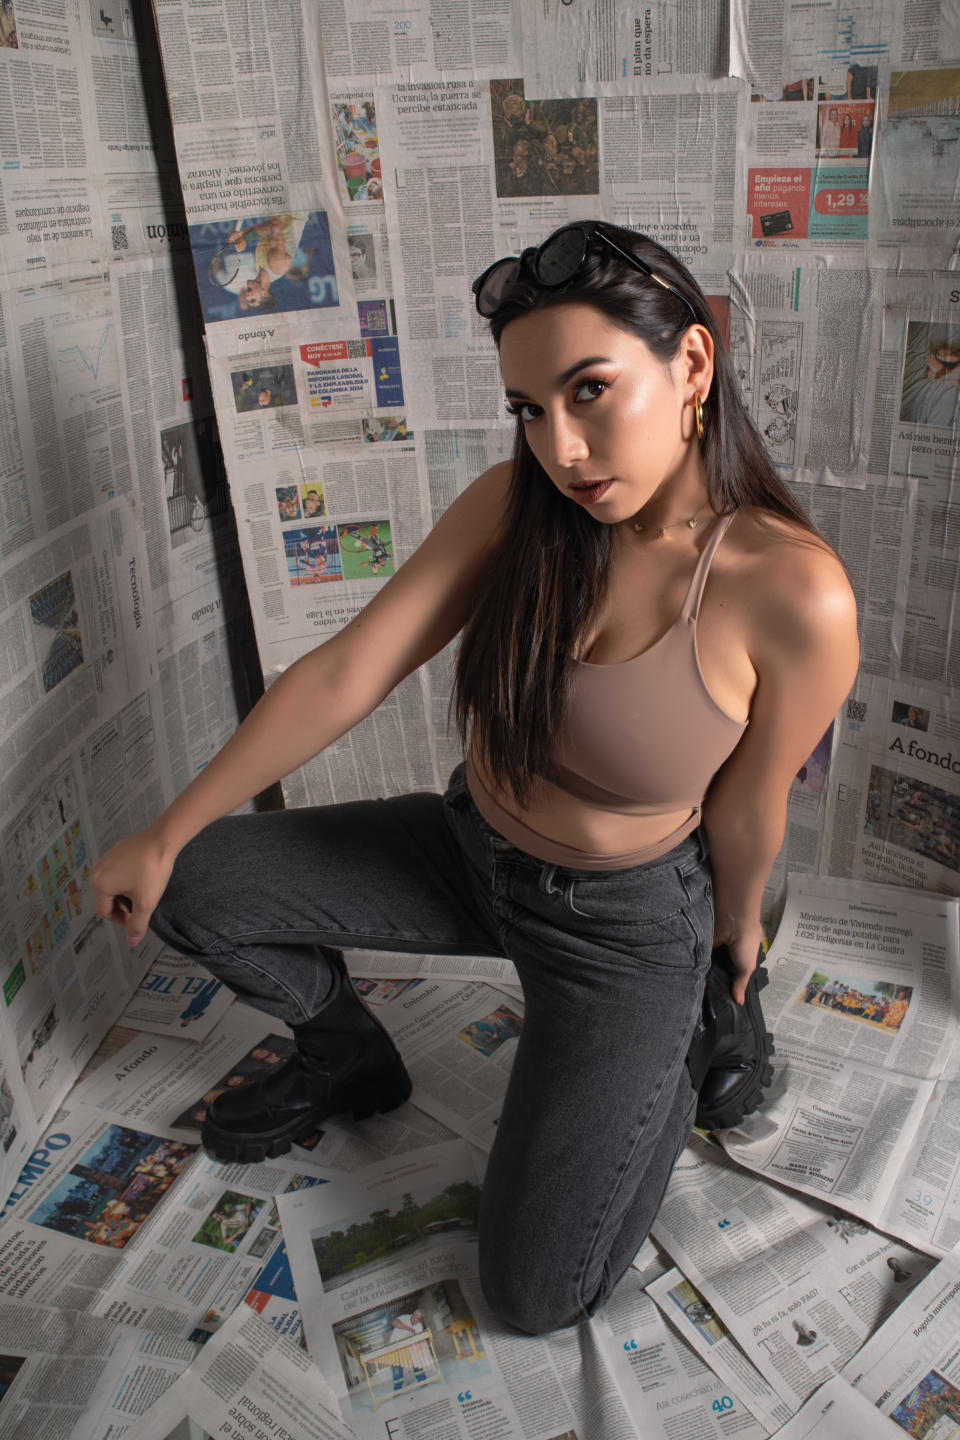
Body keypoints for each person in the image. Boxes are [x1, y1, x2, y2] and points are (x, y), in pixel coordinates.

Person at [92, 221, 859, 1335]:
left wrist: (736, 938)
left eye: (590, 391)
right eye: (530, 410)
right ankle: (347, 1059)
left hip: (622, 927)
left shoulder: (791, 592)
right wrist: (168, 830)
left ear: (692, 363)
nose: (564, 449)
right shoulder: (517, 511)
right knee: (195, 884)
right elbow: (348, 670)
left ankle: (691, 1032)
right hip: (468, 851)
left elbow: (747, 802)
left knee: (538, 1294)